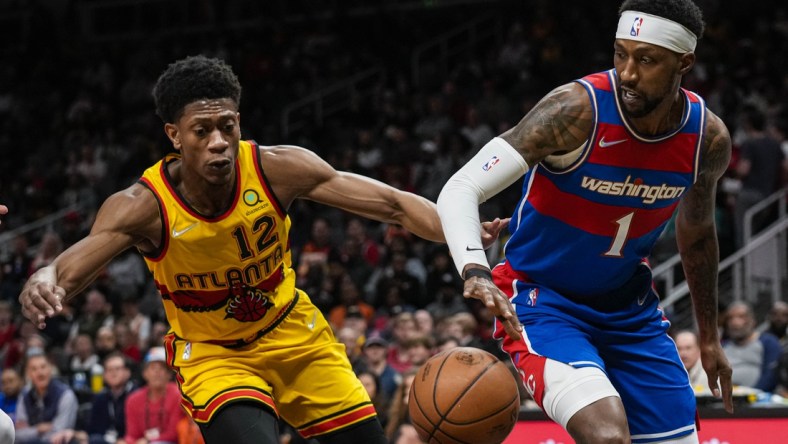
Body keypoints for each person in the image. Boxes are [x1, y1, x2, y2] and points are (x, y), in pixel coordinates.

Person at [18, 55, 505, 444]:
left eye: (226, 126)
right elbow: (72, 265)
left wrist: (460, 230)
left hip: (292, 331)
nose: (218, 143)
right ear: (173, 135)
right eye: (202, 130)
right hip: (214, 353)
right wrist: (45, 280)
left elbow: (394, 205)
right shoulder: (142, 206)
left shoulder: (278, 168)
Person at [436, 1, 733, 442]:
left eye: (646, 60)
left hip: (629, 310)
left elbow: (698, 236)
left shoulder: (706, 140)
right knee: (607, 435)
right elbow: (460, 188)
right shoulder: (575, 110)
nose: (628, 74)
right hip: (543, 301)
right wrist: (475, 269)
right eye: (620, 54)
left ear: (683, 62)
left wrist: (709, 337)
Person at [14, 352, 79, 443]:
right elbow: (18, 433)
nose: (40, 373)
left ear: (50, 369)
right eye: (34, 369)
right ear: (28, 374)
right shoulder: (24, 396)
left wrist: (31, 431)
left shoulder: (66, 395)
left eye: (43, 367)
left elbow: (59, 432)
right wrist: (38, 429)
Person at [123, 347, 183, 444]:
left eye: (162, 368)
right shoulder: (133, 399)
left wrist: (148, 441)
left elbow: (174, 434)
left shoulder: (178, 395)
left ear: (169, 374)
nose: (157, 372)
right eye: (152, 368)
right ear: (144, 373)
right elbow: (132, 434)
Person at [721, 301, 781, 392]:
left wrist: (751, 394)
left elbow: (771, 375)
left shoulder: (767, 342)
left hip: (758, 399)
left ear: (752, 320)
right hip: (724, 398)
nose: (734, 322)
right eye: (730, 318)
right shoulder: (723, 346)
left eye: (741, 317)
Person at [674, 329, 711, 393]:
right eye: (679, 348)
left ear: (699, 350)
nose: (683, 353)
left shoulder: (708, 376)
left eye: (688, 348)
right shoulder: (671, 372)